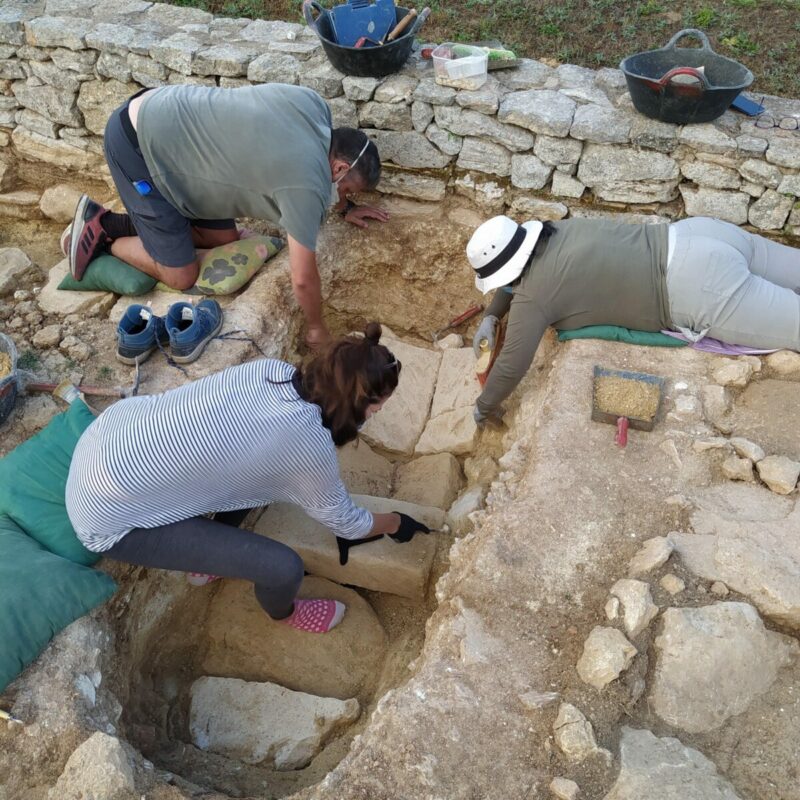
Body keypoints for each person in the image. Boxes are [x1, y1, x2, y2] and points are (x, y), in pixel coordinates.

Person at [65, 323, 430, 634]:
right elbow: (347, 524)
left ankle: (205, 563)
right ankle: (284, 614)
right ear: (356, 404)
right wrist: (396, 523)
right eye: (377, 406)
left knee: (259, 478)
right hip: (108, 522)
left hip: (105, 442)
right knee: (283, 569)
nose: (378, 412)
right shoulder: (307, 447)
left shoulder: (271, 370)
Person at [67, 83, 388, 348]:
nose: (342, 195)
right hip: (140, 145)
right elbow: (303, 278)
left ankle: (140, 226)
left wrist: (345, 208)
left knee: (223, 239)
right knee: (181, 275)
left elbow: (312, 168)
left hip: (173, 122)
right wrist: (316, 328)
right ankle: (103, 231)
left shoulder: (314, 106)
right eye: (346, 190)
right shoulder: (306, 182)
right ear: (339, 168)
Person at [467, 215, 800, 422]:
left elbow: (511, 365)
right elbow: (514, 276)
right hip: (698, 233)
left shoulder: (533, 298)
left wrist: (484, 408)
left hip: (700, 286)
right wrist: (492, 315)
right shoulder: (555, 230)